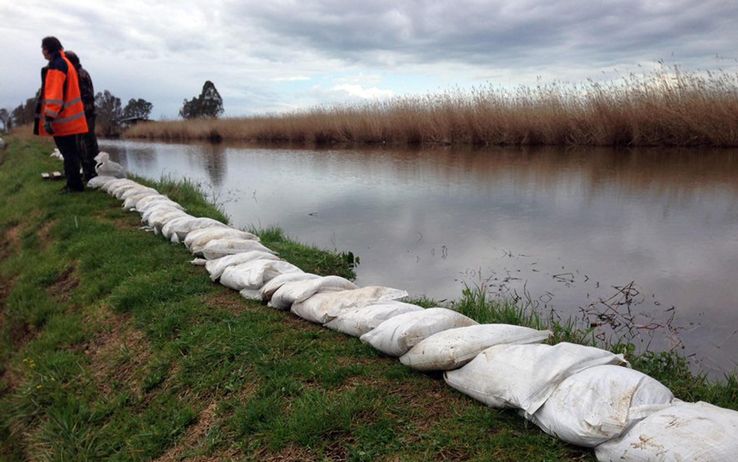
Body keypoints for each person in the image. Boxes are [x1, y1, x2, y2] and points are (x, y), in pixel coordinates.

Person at [34, 36, 89, 192]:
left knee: (69, 154)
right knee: (72, 153)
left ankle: (74, 186)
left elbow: (54, 94)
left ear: (46, 49)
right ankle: (74, 183)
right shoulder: (66, 63)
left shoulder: (57, 66)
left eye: (42, 49)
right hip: (71, 118)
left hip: (63, 120)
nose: (42, 53)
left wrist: (49, 118)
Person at [64, 50, 98, 181]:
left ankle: (90, 173)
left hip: (85, 115)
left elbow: (85, 98)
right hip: (84, 115)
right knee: (85, 144)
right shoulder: (80, 73)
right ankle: (88, 172)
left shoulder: (79, 75)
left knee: (86, 144)